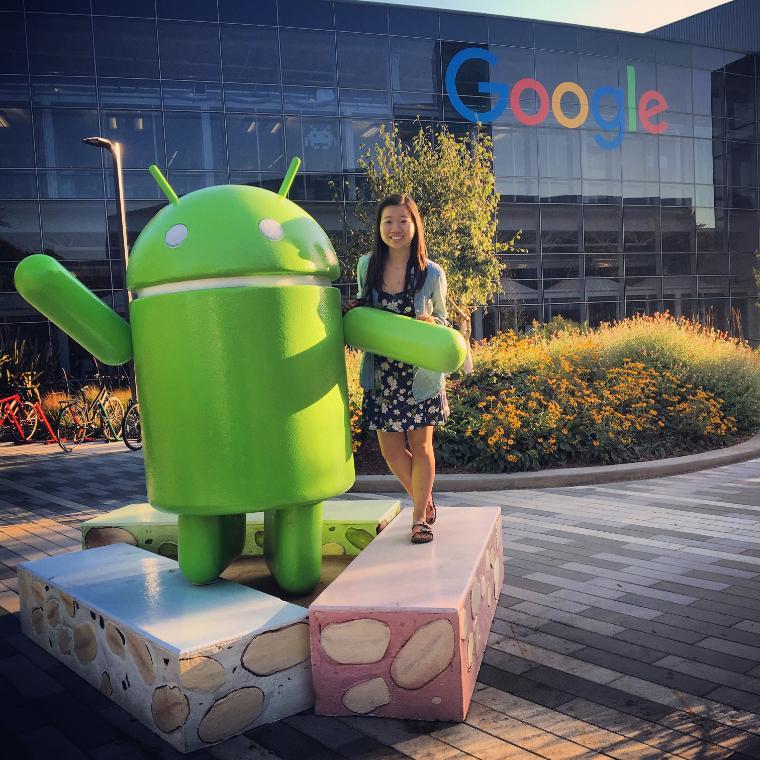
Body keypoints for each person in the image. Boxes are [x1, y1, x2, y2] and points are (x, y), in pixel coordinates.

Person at [354, 193, 450, 544]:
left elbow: (445, 319)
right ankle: (423, 501)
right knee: (391, 452)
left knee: (421, 446)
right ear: (380, 227)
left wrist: (432, 323)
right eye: (388, 221)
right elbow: (365, 307)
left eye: (403, 221)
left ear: (415, 225)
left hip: (419, 374)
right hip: (383, 374)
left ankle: (418, 519)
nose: (395, 228)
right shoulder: (368, 266)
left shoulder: (431, 273)